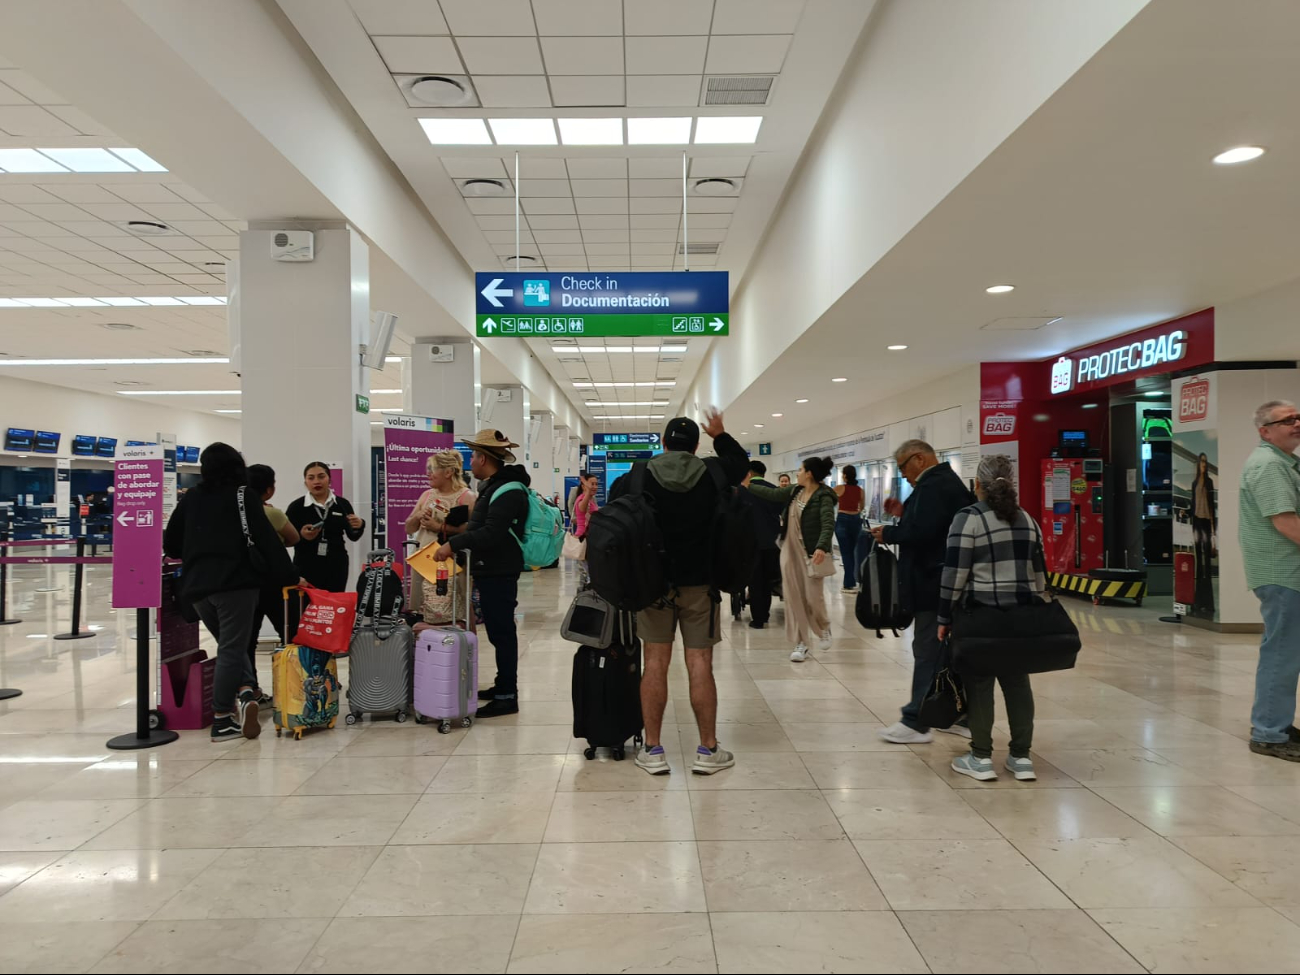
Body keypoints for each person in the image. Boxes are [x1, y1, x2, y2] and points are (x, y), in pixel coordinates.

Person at [609, 411, 749, 775]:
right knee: (700, 664)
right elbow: (741, 463)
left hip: (652, 585)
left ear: (664, 443)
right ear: (696, 446)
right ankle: (708, 749)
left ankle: (653, 750)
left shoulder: (638, 476)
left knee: (655, 661)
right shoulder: (713, 473)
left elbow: (615, 511)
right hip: (701, 584)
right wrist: (720, 433)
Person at [164, 443, 297, 741]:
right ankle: (223, 717)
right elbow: (266, 541)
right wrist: (289, 576)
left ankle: (248, 691)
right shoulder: (243, 496)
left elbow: (171, 544)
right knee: (232, 648)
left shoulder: (191, 498)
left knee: (228, 643)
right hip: (235, 586)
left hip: (198, 588)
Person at [936, 454, 1043, 782]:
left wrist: (944, 616)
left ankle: (981, 757)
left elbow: (954, 573)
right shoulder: (1027, 519)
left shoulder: (967, 518)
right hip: (1021, 617)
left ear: (976, 484)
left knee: (979, 683)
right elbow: (1040, 578)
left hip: (979, 616)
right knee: (1017, 682)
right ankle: (1021, 757)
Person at [872, 439, 976, 744]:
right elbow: (933, 524)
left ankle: (916, 721)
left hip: (933, 586)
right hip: (943, 582)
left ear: (919, 459)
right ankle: (958, 715)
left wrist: (888, 533)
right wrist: (905, 513)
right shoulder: (944, 483)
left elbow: (924, 533)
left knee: (928, 650)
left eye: (903, 468)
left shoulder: (935, 485)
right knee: (946, 653)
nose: (904, 475)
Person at [434, 429, 529, 718]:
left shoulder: (508, 490)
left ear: (484, 458)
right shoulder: (494, 485)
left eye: (473, 455)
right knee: (499, 632)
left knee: (502, 632)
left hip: (500, 569)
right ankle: (502, 685)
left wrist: (454, 544)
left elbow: (492, 532)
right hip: (490, 568)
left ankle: (507, 695)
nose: (470, 461)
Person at [1238, 400, 1300, 761]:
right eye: (1287, 420)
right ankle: (1269, 733)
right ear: (1265, 431)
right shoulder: (1269, 465)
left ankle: (1275, 722)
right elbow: (1285, 522)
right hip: (1284, 573)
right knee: (1282, 654)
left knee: (1285, 652)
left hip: (1286, 573)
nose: (1296, 423)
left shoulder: (1283, 463)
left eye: (1298, 417)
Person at [746, 457, 838, 661]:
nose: (797, 472)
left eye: (800, 469)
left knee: (813, 597)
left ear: (809, 474)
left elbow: (827, 523)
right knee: (794, 597)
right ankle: (801, 642)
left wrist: (822, 546)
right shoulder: (795, 491)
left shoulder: (823, 496)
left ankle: (823, 627)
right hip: (789, 549)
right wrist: (748, 486)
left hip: (811, 552)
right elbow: (772, 493)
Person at [244, 463, 298, 703]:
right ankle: (295, 686)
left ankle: (251, 690)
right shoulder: (273, 514)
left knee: (246, 641)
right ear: (269, 490)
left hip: (245, 585)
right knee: (290, 633)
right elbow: (294, 538)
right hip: (276, 585)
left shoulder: (237, 514)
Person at [405, 450, 477, 620]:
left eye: (432, 469)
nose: (428, 473)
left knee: (456, 609)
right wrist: (419, 514)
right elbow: (409, 528)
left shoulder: (467, 497)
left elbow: (472, 531)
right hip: (425, 559)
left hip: (452, 561)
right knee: (423, 609)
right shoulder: (426, 495)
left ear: (448, 472)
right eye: (427, 469)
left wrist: (440, 527)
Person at [285, 462, 366, 592]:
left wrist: (361, 524)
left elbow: (353, 536)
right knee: (307, 607)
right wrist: (302, 536)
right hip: (306, 565)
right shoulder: (296, 507)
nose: (316, 481)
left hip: (337, 564)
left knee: (334, 606)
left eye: (321, 476)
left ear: (329, 479)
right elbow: (286, 540)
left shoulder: (342, 504)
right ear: (305, 482)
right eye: (311, 478)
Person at [740, 460, 783, 629]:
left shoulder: (743, 491)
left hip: (751, 542)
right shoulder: (775, 490)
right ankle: (764, 614)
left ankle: (758, 618)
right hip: (772, 543)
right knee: (767, 580)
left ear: (749, 473)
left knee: (755, 581)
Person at [1190, 452, 1216, 615]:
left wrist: (1214, 530)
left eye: (1206, 462)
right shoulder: (1194, 483)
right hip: (1197, 522)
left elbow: (1212, 506)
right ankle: (1198, 600)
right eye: (1202, 462)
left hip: (1207, 522)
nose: (1204, 465)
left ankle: (1208, 602)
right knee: (1199, 563)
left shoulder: (1209, 482)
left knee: (1206, 562)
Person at [835, 465, 865, 593]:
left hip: (843, 519)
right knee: (852, 552)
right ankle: (853, 580)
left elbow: (828, 499)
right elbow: (861, 507)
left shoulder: (840, 488)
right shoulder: (860, 490)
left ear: (845, 475)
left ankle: (849, 582)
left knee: (845, 553)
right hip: (856, 520)